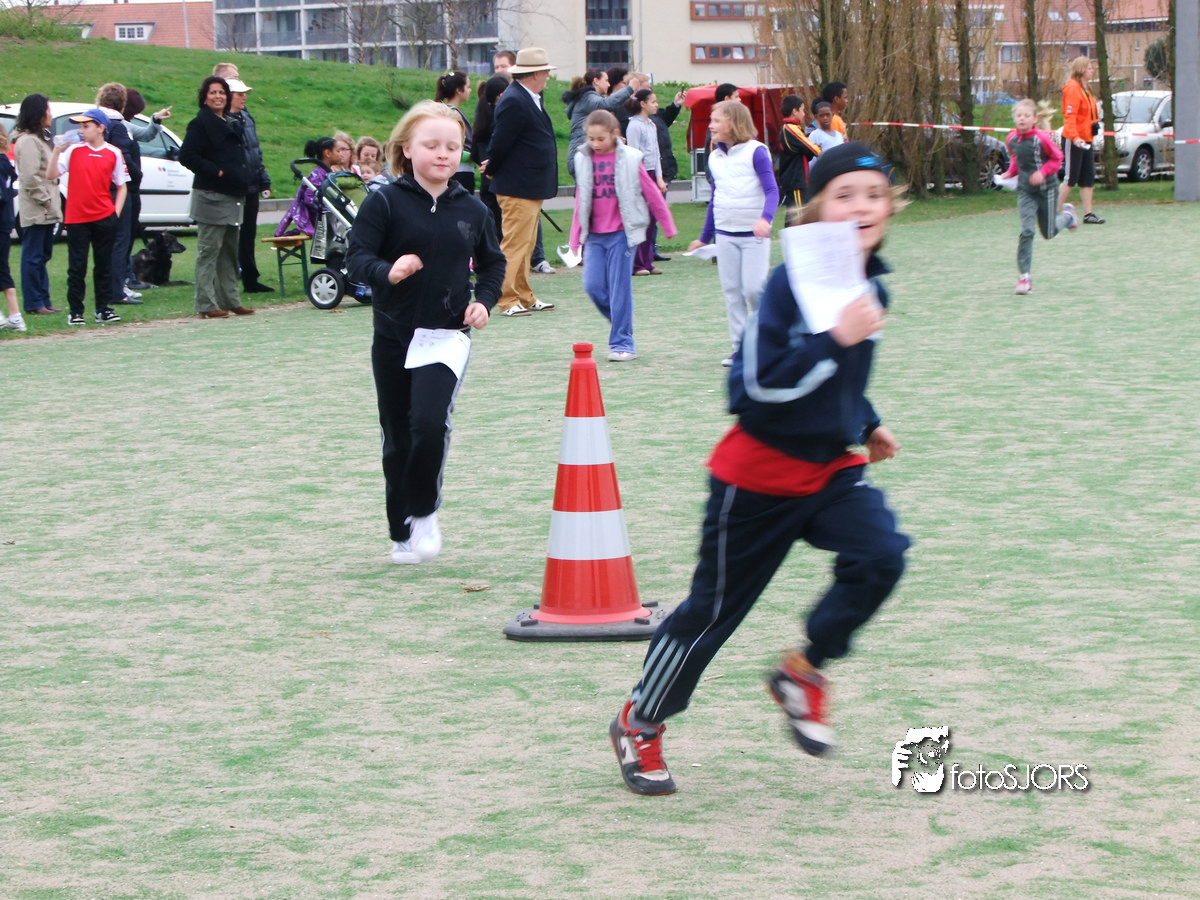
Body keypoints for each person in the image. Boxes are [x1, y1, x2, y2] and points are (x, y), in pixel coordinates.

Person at [608, 141, 910, 796]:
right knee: (711, 615)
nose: (862, 206)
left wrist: (866, 422)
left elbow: (843, 379)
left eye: (875, 195)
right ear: (816, 209)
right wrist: (835, 339)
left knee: (882, 555)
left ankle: (804, 669)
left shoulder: (871, 285)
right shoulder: (787, 286)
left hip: (830, 472)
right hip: (756, 480)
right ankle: (640, 721)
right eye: (845, 195)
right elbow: (751, 388)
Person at [346, 101, 505, 565]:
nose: (443, 154)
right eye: (431, 145)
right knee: (397, 433)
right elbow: (357, 258)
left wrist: (484, 301)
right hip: (393, 334)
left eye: (453, 147)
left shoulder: (473, 208)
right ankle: (401, 530)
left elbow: (493, 263)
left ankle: (424, 511)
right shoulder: (384, 202)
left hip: (447, 335)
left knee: (430, 423)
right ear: (406, 149)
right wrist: (388, 271)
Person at [568, 109, 676, 362]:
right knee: (592, 285)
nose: (595, 144)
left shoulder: (630, 158)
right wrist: (575, 238)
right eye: (591, 139)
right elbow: (581, 200)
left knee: (620, 289)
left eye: (601, 138)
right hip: (595, 237)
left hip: (622, 234)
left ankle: (623, 342)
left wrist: (667, 224)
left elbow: (652, 193)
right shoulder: (583, 159)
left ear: (614, 134)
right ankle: (621, 320)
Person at [687, 99, 779, 366]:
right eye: (711, 120)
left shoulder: (756, 152)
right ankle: (741, 349)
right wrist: (704, 237)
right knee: (732, 292)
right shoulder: (714, 158)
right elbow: (715, 199)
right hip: (725, 235)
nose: (711, 126)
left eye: (716, 121)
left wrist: (765, 219)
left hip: (754, 237)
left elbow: (772, 190)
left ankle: (768, 340)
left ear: (734, 123)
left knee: (753, 289)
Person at [482, 47, 559, 317]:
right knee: (515, 243)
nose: (548, 75)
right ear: (535, 73)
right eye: (545, 71)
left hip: (529, 184)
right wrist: (492, 167)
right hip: (517, 185)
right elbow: (500, 140)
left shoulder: (527, 97)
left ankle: (524, 295)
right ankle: (506, 298)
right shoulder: (515, 99)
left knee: (526, 243)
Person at [178, 76, 254, 318]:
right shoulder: (200, 124)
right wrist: (216, 171)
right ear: (205, 97)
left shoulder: (231, 121)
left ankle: (230, 300)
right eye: (213, 92)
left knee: (230, 252)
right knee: (209, 252)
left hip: (233, 194)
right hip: (211, 196)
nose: (218, 96)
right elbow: (187, 155)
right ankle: (206, 304)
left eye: (221, 92)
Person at [45, 107, 128, 325]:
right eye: (80, 126)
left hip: (104, 216)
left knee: (103, 265)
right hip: (77, 217)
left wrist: (115, 213)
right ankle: (76, 311)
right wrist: (56, 151)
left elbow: (122, 185)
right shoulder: (74, 151)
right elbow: (51, 174)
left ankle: (103, 308)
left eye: (86, 126)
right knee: (77, 266)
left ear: (100, 128)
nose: (81, 130)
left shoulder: (113, 152)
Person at [1001, 99, 1078, 295]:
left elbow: (1057, 159)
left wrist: (1042, 173)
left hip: (1047, 190)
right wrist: (1010, 172)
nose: (1022, 119)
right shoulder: (1011, 139)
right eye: (1019, 115)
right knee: (1027, 231)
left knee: (1049, 232)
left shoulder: (1041, 139)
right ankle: (1024, 277)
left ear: (1034, 119)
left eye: (1026, 116)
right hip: (1025, 191)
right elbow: (1017, 158)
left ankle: (1068, 215)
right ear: (1014, 118)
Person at [11, 93, 62, 316]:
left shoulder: (39, 138)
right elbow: (30, 177)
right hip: (37, 208)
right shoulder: (28, 141)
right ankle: (34, 302)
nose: (50, 114)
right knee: (33, 256)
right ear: (38, 113)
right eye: (48, 110)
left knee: (43, 255)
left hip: (46, 208)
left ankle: (44, 300)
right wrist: (46, 200)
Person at [94, 83, 143, 307]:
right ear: (122, 104)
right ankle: (116, 290)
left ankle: (109, 287)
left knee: (105, 241)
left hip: (100, 188)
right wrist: (137, 175)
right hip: (118, 189)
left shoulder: (97, 125)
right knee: (120, 240)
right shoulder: (118, 127)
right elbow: (124, 159)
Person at [226, 78, 274, 294]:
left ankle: (250, 278)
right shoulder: (224, 120)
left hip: (251, 184)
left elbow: (255, 151)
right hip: (234, 186)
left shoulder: (247, 118)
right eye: (239, 94)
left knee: (248, 234)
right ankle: (229, 278)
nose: (244, 97)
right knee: (230, 235)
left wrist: (263, 179)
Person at [120, 89, 172, 292]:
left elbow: (146, 134)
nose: (135, 116)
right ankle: (125, 277)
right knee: (123, 236)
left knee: (129, 234)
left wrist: (155, 119)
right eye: (134, 111)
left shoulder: (126, 125)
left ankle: (127, 275)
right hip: (126, 188)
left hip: (132, 188)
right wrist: (137, 173)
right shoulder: (119, 127)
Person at [624, 89, 669, 276]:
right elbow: (633, 154)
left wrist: (659, 177)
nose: (656, 105)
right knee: (641, 219)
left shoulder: (651, 124)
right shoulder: (634, 125)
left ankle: (647, 261)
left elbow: (656, 153)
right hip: (640, 174)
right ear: (642, 104)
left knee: (651, 219)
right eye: (653, 102)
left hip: (652, 174)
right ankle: (636, 264)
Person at [561, 68, 634, 180]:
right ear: (596, 81)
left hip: (581, 152)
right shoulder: (588, 97)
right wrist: (630, 89)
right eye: (606, 80)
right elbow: (606, 104)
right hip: (583, 153)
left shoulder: (587, 98)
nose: (609, 84)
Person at [1058, 56, 1104, 225]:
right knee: (1070, 178)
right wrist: (1075, 137)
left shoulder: (1086, 89)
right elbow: (1069, 118)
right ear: (1081, 70)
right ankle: (1054, 210)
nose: (1092, 71)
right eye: (1089, 68)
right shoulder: (1073, 89)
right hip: (1074, 140)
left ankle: (1088, 214)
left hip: (1086, 140)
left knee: (1087, 177)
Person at [650, 88, 686, 261]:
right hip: (653, 172)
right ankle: (647, 251)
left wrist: (675, 105)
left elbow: (665, 118)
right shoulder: (637, 122)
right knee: (651, 214)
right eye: (652, 101)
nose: (656, 104)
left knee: (656, 213)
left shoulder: (654, 117)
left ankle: (651, 249)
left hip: (663, 168)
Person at [472, 75, 509, 243]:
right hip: (500, 178)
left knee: (490, 225)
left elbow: (474, 151)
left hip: (485, 179)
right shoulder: (502, 116)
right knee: (505, 228)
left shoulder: (481, 116)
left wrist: (483, 161)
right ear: (501, 95)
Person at [276, 137, 338, 238]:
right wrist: (324, 210)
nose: (340, 154)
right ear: (327, 153)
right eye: (338, 151)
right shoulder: (318, 175)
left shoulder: (326, 173)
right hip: (320, 219)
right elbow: (309, 198)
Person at [435, 71, 476, 194]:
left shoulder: (443, 111)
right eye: (468, 87)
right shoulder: (452, 115)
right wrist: (474, 156)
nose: (470, 90)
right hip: (460, 172)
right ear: (459, 90)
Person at [778, 93, 820, 208]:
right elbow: (813, 150)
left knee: (797, 214)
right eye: (802, 110)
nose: (804, 114)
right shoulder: (790, 128)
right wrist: (818, 147)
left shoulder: (792, 128)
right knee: (798, 215)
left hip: (799, 180)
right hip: (796, 181)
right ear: (795, 111)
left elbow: (805, 151)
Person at [0, 131, 24, 332]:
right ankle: (11, 316)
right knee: (2, 269)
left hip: (1, 223)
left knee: (2, 270)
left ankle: (15, 317)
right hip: (4, 222)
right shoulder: (5, 163)